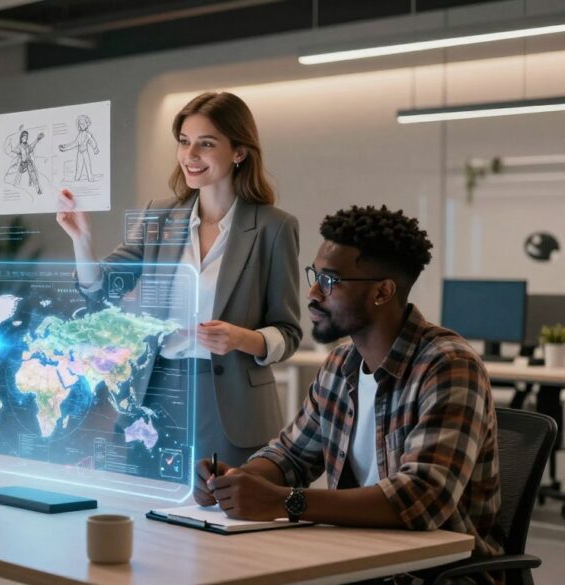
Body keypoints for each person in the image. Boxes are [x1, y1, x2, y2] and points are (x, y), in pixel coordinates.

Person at [194, 205, 502, 583]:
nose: (312, 293)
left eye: (329, 281)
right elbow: (291, 455)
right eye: (315, 276)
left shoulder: (448, 365)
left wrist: (283, 501)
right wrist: (236, 481)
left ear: (382, 292)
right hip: (360, 562)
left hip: (435, 575)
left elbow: (421, 498)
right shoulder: (341, 363)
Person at [57, 91, 302, 466]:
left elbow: (288, 333)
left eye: (206, 144)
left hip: (232, 402)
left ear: (239, 152)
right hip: (157, 391)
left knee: (224, 500)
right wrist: (82, 239)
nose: (190, 155)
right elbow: (100, 288)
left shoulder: (274, 227)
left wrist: (241, 338)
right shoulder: (159, 218)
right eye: (184, 142)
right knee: (150, 499)